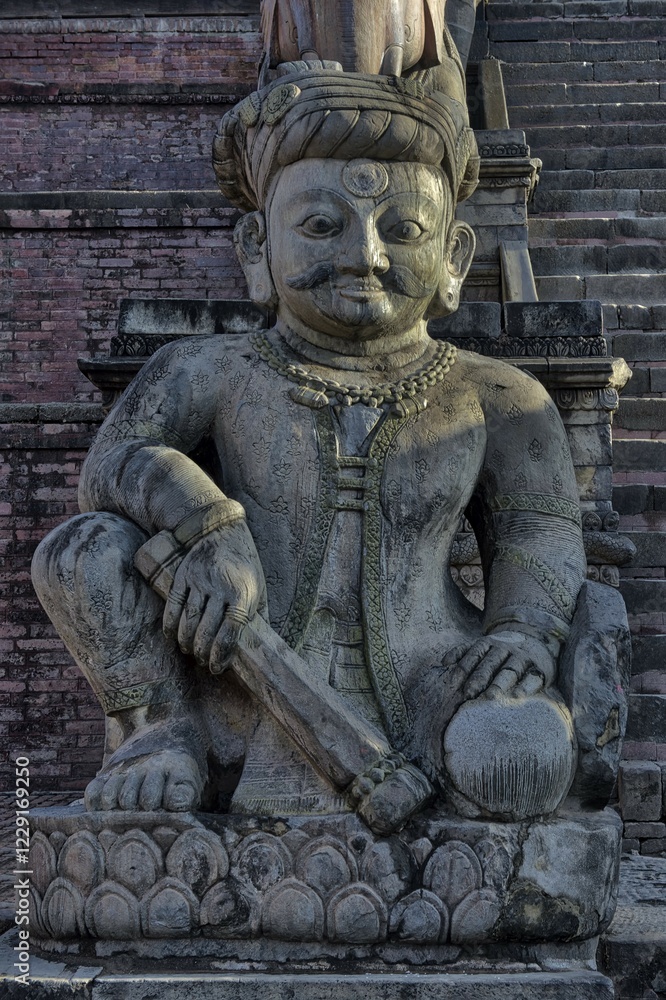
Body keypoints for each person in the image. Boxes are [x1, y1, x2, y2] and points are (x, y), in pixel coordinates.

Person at [32, 64, 586, 823]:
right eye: (322, 226)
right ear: (257, 248)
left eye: (405, 229)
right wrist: (210, 527)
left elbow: (540, 529)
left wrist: (523, 630)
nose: (365, 254)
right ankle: (159, 735)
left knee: (519, 754)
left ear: (455, 257)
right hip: (234, 676)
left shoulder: (499, 396)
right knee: (80, 548)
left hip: (431, 680)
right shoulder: (209, 370)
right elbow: (115, 462)